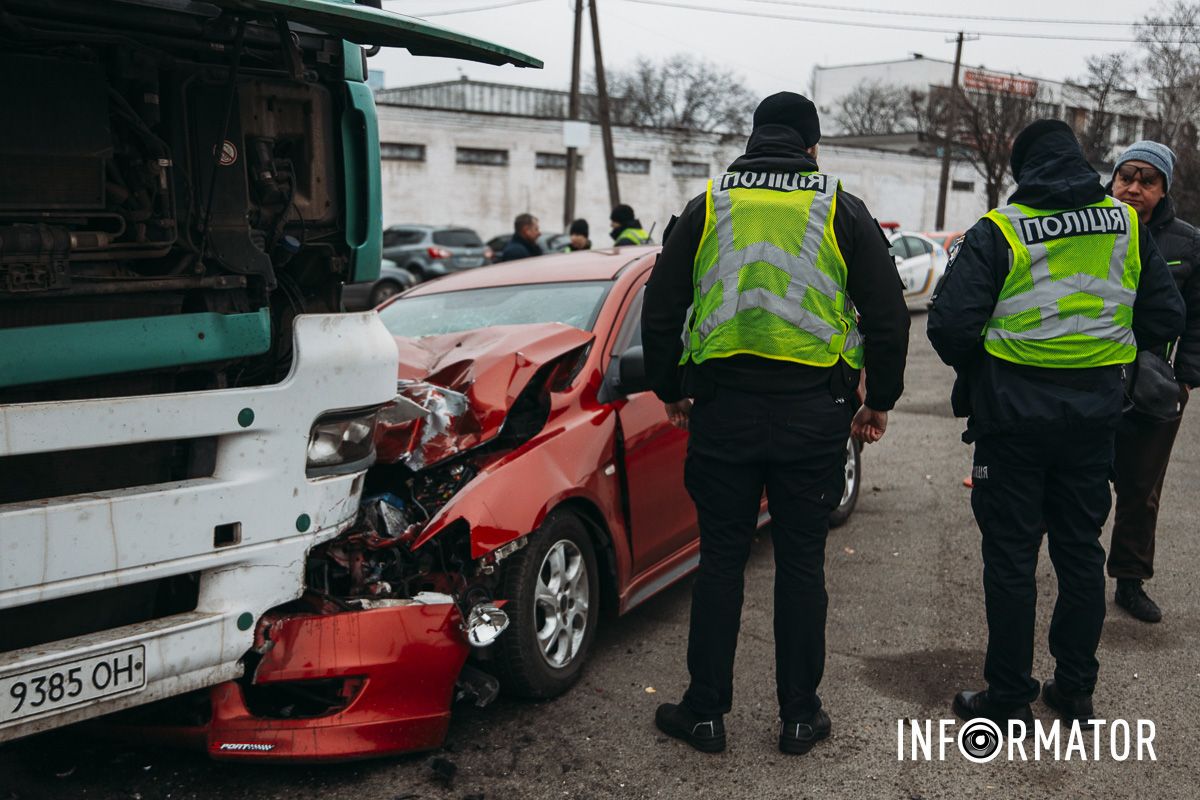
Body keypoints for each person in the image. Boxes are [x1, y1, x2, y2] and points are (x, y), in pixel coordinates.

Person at [641, 91, 910, 755]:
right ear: (812, 147)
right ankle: (798, 717)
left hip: (723, 411)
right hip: (814, 415)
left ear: (754, 139)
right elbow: (887, 313)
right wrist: (881, 400)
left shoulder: (710, 205)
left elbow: (661, 301)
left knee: (721, 563)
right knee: (800, 567)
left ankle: (705, 712)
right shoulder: (839, 206)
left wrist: (669, 388)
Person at [927, 120, 1185, 728]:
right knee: (1078, 553)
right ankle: (1074, 690)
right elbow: (1166, 316)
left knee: (1011, 560)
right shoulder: (1124, 225)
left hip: (1012, 425)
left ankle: (1009, 695)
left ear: (1023, 169)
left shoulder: (1000, 230)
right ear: (1082, 163)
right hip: (1094, 422)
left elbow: (950, 327)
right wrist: (1106, 358)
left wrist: (992, 368)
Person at [1107, 141, 1200, 623]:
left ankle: (1129, 579)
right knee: (1075, 479)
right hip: (1092, 376)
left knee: (1141, 489)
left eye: (1147, 180)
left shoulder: (1188, 242)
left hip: (1154, 385)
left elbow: (1198, 320)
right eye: (1127, 176)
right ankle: (1070, 567)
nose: (1134, 188)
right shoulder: (1093, 225)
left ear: (1164, 190)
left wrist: (1184, 380)